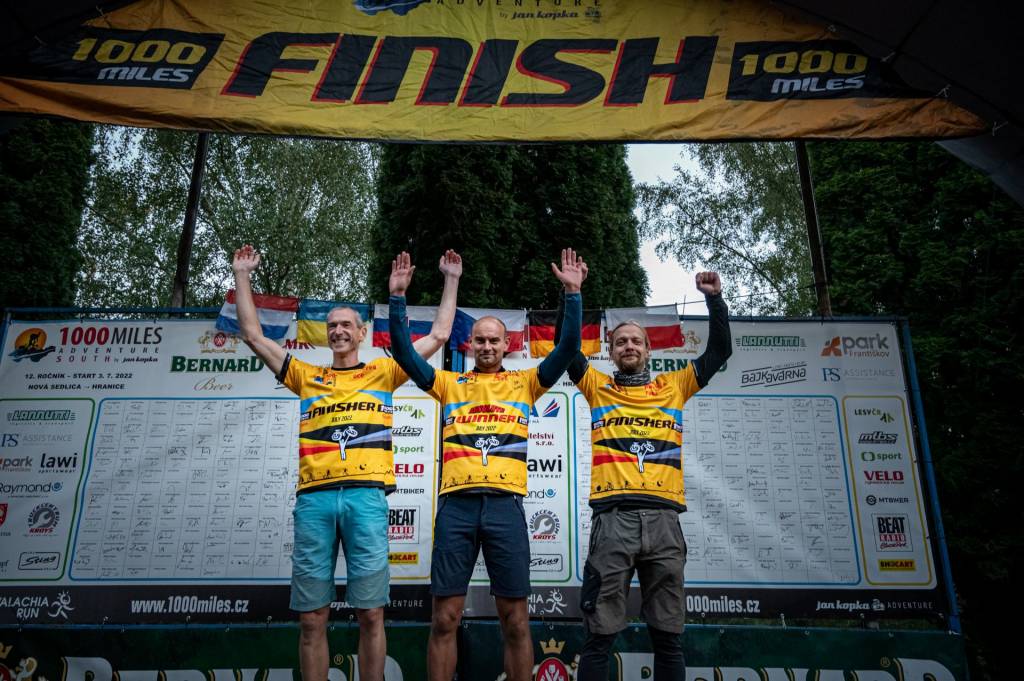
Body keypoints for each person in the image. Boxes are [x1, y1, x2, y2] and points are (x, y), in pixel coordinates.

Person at [231, 244, 462, 681]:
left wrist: (449, 280)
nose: (338, 331)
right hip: (315, 501)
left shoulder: (384, 372)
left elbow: (438, 335)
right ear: (327, 334)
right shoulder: (306, 376)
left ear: (361, 333)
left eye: (346, 325)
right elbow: (254, 336)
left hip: (366, 498)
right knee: (311, 619)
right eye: (332, 325)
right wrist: (243, 275)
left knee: (371, 614)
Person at [386, 248, 584, 681]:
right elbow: (403, 353)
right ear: (469, 344)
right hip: (456, 507)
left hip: (504, 507)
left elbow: (569, 346)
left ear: (507, 344)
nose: (488, 346)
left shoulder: (525, 382)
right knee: (444, 618)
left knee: (515, 620)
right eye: (480, 340)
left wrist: (572, 293)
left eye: (495, 340)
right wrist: (397, 298)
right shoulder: (449, 383)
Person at [565, 268, 732, 681]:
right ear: (610, 351)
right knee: (598, 635)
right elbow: (566, 349)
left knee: (668, 636)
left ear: (648, 349)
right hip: (613, 520)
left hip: (664, 522)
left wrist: (714, 300)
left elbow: (720, 351)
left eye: (636, 341)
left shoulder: (675, 386)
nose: (629, 346)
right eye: (620, 341)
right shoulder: (597, 386)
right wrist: (572, 293)